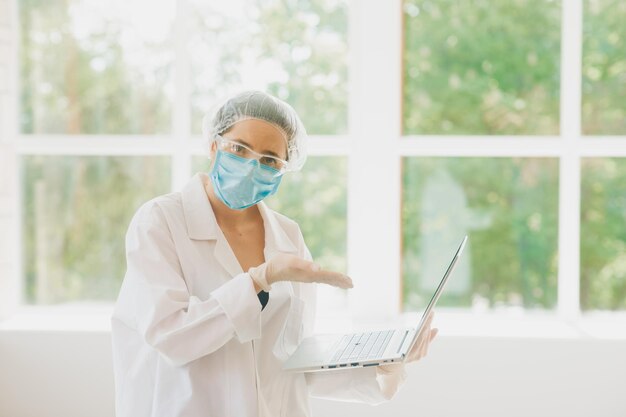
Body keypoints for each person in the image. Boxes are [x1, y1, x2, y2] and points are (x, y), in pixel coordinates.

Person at [111, 91, 438, 417]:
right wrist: (258, 280)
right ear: (214, 145)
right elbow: (170, 336)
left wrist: (383, 363)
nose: (251, 166)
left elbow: (290, 359)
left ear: (283, 169)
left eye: (269, 159)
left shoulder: (288, 236)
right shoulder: (160, 222)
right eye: (239, 148)